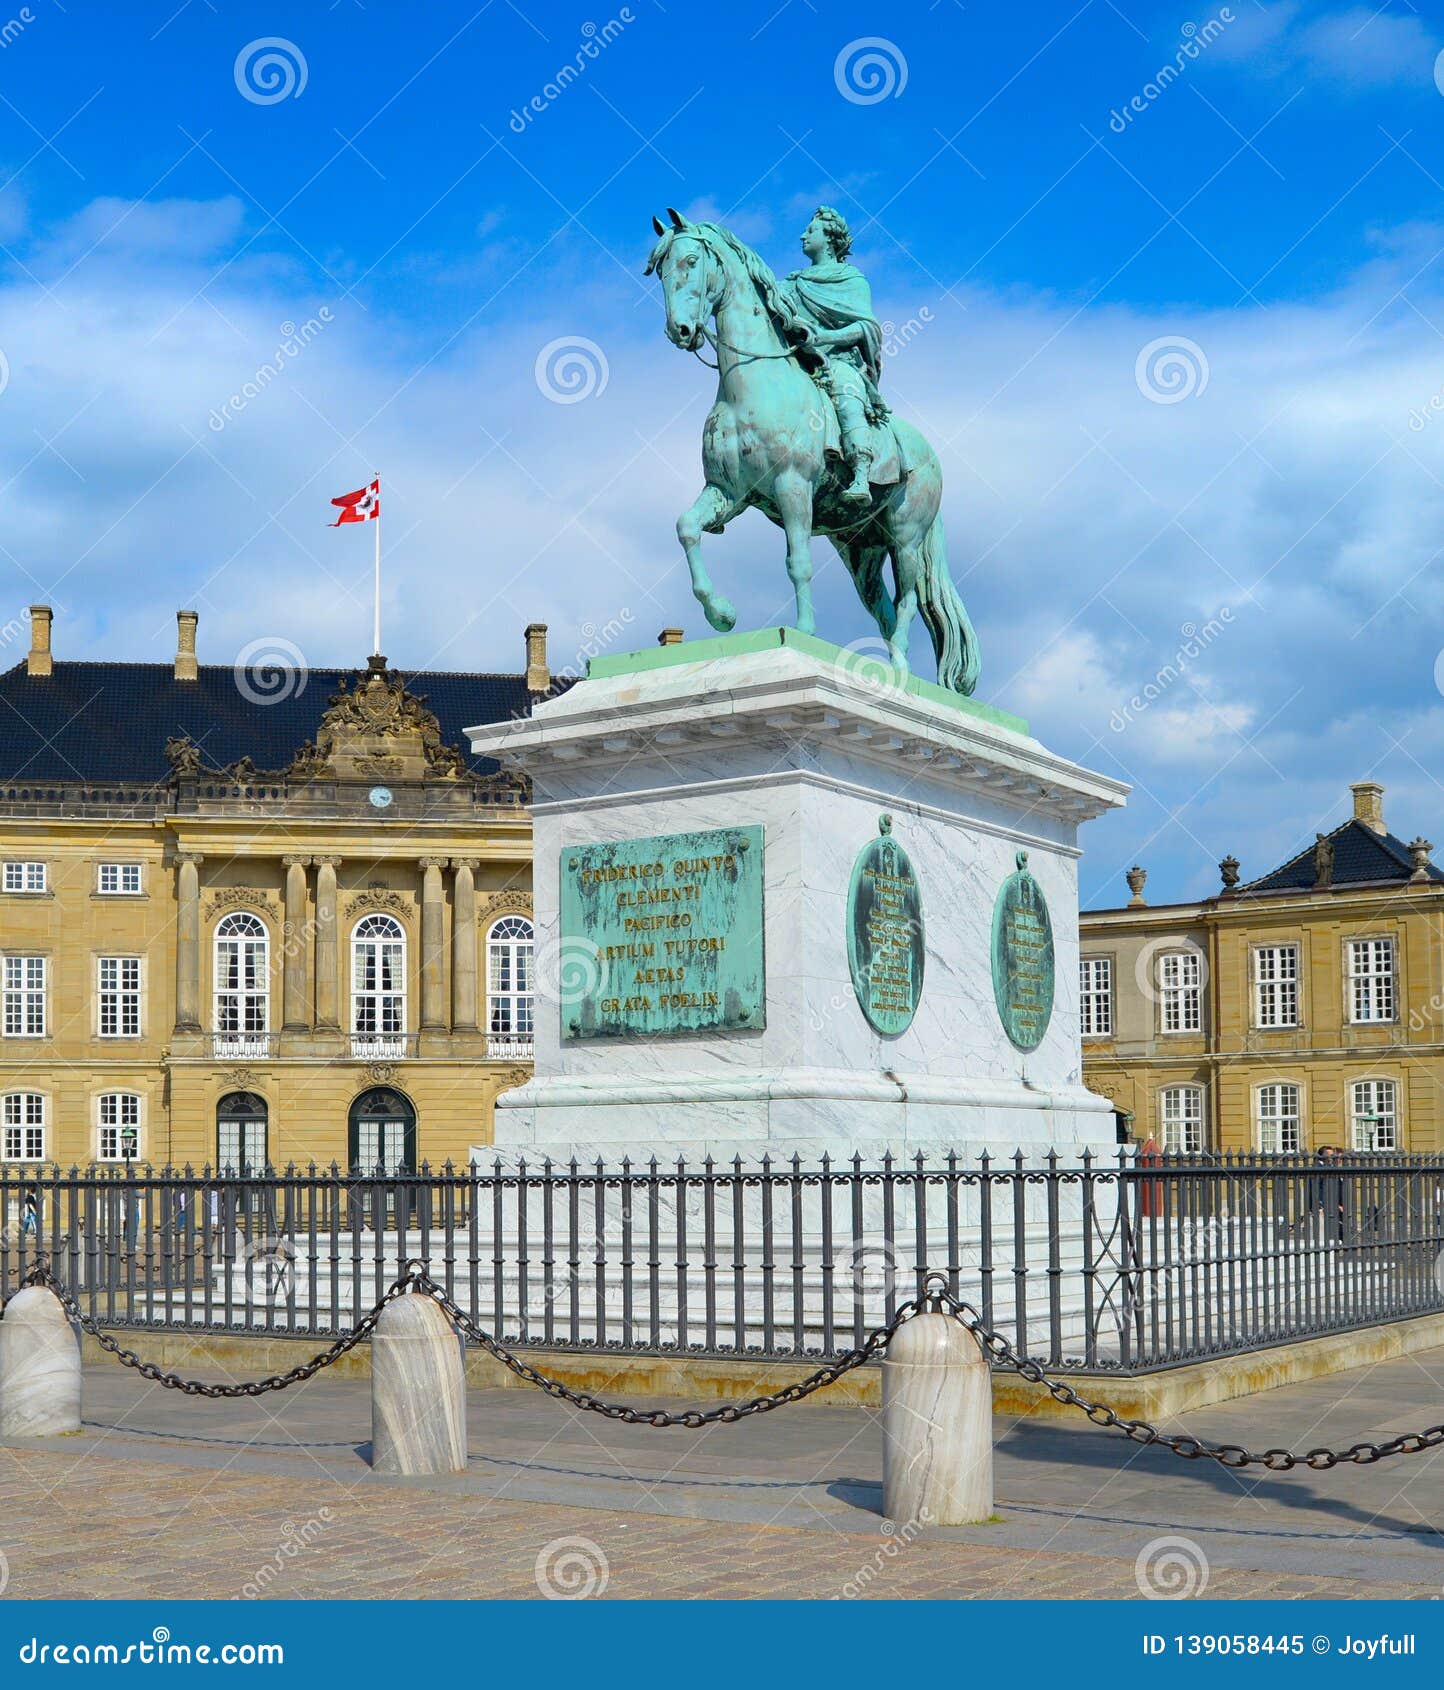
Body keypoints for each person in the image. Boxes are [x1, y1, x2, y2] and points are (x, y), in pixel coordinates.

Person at [780, 207, 887, 510]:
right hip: (799, 360)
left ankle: (861, 473)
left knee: (845, 392)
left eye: (811, 230)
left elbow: (866, 326)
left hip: (838, 362)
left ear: (829, 239)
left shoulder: (852, 279)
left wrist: (826, 337)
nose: (803, 235)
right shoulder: (792, 281)